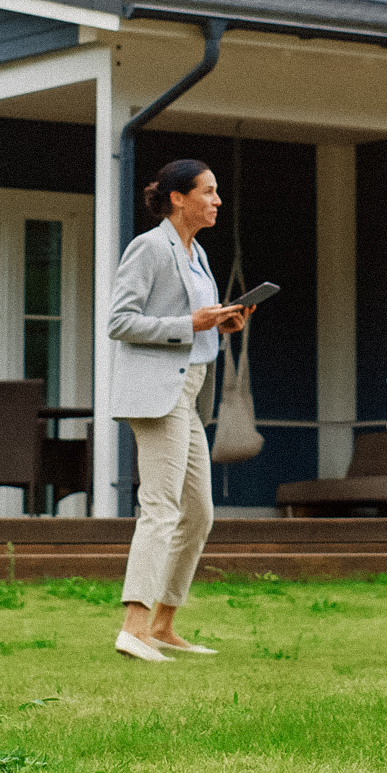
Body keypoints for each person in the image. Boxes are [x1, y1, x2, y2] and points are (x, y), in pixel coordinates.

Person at [108, 159, 250, 663]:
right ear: (177, 198)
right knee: (162, 508)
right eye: (208, 192)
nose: (216, 201)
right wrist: (190, 322)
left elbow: (195, 324)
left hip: (188, 394)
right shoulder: (149, 247)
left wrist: (219, 324)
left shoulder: (198, 253)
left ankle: (163, 625)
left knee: (198, 514)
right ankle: (133, 627)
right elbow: (121, 321)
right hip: (157, 394)